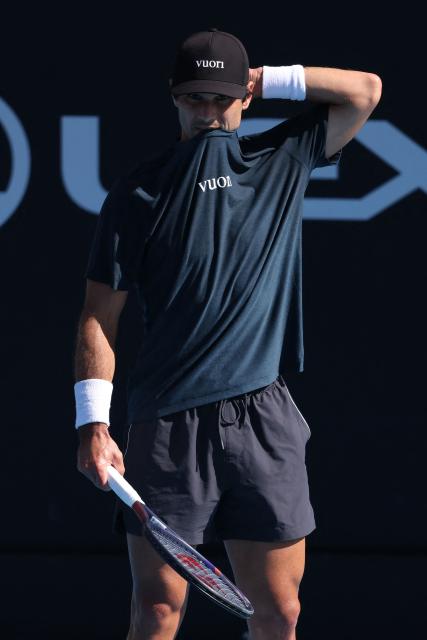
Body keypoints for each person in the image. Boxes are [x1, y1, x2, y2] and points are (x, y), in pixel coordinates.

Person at [74, 27, 381, 640]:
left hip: (264, 417)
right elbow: (97, 318)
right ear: (174, 98)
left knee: (279, 612)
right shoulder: (136, 194)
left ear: (244, 98)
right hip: (167, 422)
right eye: (195, 99)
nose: (210, 114)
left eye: (222, 98)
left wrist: (264, 79)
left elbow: (364, 92)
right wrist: (93, 424)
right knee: (157, 611)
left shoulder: (284, 158)